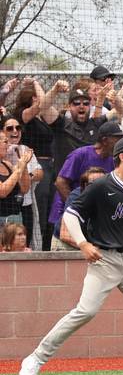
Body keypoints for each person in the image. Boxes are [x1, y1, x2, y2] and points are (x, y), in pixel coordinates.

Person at [19, 134, 123, 375]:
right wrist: (83, 243)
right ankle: (35, 359)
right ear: (122, 156)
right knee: (85, 311)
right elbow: (70, 216)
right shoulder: (101, 186)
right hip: (104, 259)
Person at [49, 122, 123, 245]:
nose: (121, 143)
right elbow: (60, 182)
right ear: (105, 140)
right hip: (67, 215)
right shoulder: (80, 154)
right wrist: (77, 207)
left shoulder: (113, 161)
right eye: (117, 139)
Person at [12, 78, 66, 250]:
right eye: (35, 98)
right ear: (29, 100)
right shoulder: (23, 115)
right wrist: (36, 83)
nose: (39, 100)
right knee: (41, 207)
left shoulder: (44, 118)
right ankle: (39, 247)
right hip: (37, 164)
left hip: (52, 166)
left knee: (52, 207)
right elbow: (43, 103)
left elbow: (45, 105)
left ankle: (49, 245)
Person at [3, 116, 42, 246]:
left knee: (22, 245)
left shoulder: (23, 151)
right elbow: (2, 191)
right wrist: (19, 169)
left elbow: (26, 187)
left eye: (18, 128)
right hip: (2, 215)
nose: (15, 131)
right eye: (10, 128)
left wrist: (24, 168)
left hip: (19, 210)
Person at [52, 167, 107, 251]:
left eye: (101, 182)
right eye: (92, 183)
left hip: (89, 243)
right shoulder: (76, 197)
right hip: (66, 243)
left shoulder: (110, 196)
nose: (97, 186)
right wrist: (89, 247)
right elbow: (65, 234)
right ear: (85, 185)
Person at [0, 130, 32, 226]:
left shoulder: (7, 164)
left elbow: (25, 189)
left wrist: (24, 164)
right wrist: (19, 169)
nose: (9, 145)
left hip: (15, 218)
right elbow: (2, 191)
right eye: (5, 142)